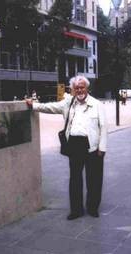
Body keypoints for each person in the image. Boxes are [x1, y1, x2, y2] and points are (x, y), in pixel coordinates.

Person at [25, 75, 108, 220]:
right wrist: (33, 105)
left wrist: (102, 148)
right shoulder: (68, 103)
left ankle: (92, 208)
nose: (79, 90)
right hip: (74, 145)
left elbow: (103, 127)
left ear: (87, 88)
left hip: (93, 147)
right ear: (73, 90)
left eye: (82, 87)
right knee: (75, 179)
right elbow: (50, 107)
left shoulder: (97, 104)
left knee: (94, 179)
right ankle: (76, 210)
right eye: (76, 88)